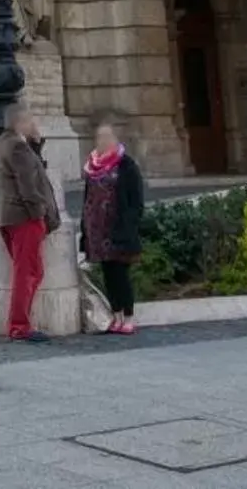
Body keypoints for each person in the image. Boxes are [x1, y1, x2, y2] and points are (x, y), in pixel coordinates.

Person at [0, 106, 59, 341]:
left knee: (31, 271)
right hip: (24, 218)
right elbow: (28, 185)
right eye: (31, 119)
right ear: (20, 122)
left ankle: (21, 324)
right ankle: (19, 326)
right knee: (27, 273)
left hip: (13, 217)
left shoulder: (7, 143)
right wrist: (38, 214)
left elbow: (29, 170)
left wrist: (37, 146)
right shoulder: (17, 147)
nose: (34, 123)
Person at [80, 121, 146, 335]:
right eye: (100, 137)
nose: (103, 141)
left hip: (119, 231)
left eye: (107, 137)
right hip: (98, 232)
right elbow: (88, 198)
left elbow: (136, 201)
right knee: (108, 274)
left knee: (120, 274)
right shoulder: (92, 166)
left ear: (116, 139)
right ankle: (116, 314)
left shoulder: (126, 165)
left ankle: (128, 315)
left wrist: (129, 225)